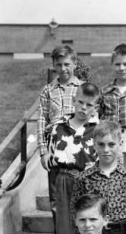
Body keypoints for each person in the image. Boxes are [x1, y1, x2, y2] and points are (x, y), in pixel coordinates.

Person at [47, 82, 100, 234]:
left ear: (96, 106)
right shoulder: (59, 126)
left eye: (89, 104)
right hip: (64, 180)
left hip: (89, 182)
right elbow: (52, 160)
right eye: (80, 102)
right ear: (74, 100)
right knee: (65, 227)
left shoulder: (98, 129)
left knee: (88, 224)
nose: (84, 108)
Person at [72, 120, 126, 234]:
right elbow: (75, 212)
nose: (106, 149)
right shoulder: (84, 178)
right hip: (94, 232)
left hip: (123, 233)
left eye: (111, 144)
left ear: (120, 144)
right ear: (94, 145)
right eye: (101, 144)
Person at [38, 44, 82, 173]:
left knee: (79, 189)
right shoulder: (48, 90)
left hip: (78, 147)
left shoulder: (83, 89)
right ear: (54, 65)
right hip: (54, 147)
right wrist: (43, 152)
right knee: (57, 190)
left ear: (75, 64)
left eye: (67, 64)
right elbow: (41, 121)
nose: (63, 69)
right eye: (59, 65)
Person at [98, 43, 126, 132]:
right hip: (110, 141)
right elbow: (98, 118)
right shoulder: (104, 92)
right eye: (117, 64)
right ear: (112, 64)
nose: (121, 68)